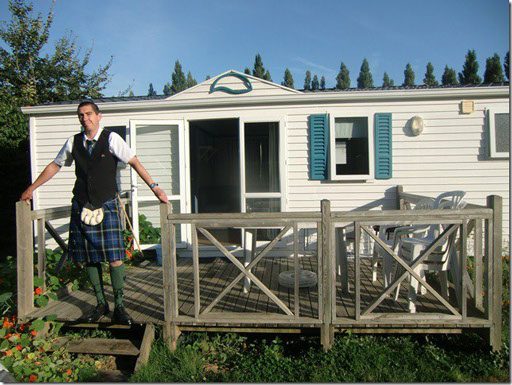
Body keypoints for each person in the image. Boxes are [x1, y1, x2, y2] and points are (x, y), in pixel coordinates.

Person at [20, 100, 169, 325]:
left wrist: (155, 187)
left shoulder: (111, 139)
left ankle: (119, 307)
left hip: (106, 203)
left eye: (89, 114)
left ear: (99, 116)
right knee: (89, 258)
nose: (85, 118)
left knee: (115, 258)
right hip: (81, 204)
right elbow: (55, 165)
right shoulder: (73, 142)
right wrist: (31, 188)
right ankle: (101, 303)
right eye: (81, 115)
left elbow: (135, 162)